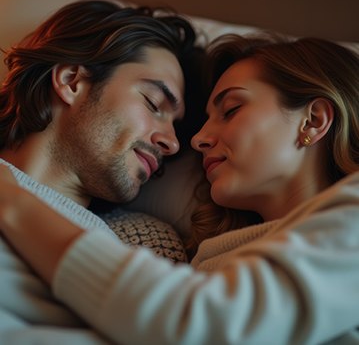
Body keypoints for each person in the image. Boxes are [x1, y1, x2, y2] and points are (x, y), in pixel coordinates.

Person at [1, 33, 359, 345]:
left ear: (313, 120)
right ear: (71, 81)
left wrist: (13, 201)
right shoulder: (211, 261)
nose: (195, 140)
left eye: (231, 110)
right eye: (153, 104)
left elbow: (194, 321)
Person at [0, 0, 205, 343]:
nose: (171, 143)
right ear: (72, 81)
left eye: (176, 127)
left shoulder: (147, 247)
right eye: (154, 103)